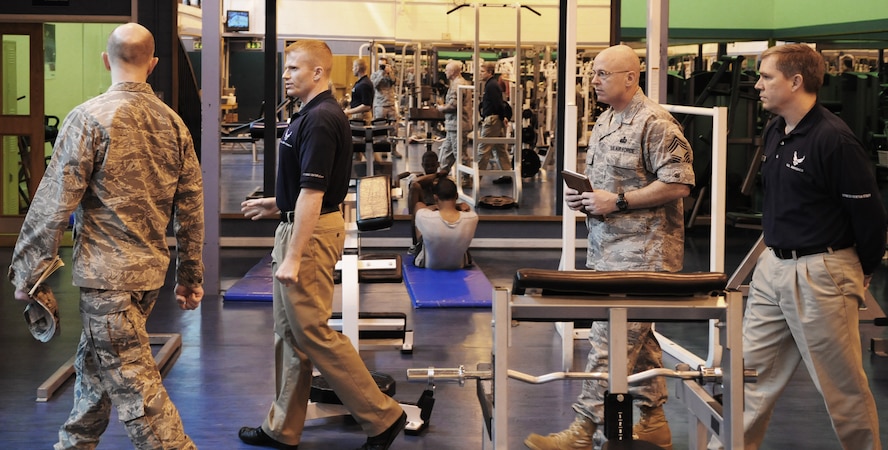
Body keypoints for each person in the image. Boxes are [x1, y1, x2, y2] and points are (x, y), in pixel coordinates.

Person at [7, 23, 205, 449]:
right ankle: (73, 444)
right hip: (148, 278)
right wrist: (190, 275)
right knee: (96, 369)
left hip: (105, 280)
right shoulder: (174, 125)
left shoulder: (88, 118)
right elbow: (190, 208)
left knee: (137, 387)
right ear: (152, 64)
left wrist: (29, 273)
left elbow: (54, 203)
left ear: (105, 59)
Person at [238, 40, 406, 450]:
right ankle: (283, 427)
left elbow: (315, 194)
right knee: (288, 334)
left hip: (309, 235)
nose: (285, 75)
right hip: (296, 224)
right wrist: (276, 203)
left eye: (293, 68)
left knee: (312, 332)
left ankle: (383, 416)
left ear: (317, 72)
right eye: (285, 68)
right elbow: (304, 186)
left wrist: (294, 255)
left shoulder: (321, 118)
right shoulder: (307, 114)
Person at [524, 44, 694, 450]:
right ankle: (654, 420)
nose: (593, 80)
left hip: (645, 254)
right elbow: (606, 182)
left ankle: (584, 429)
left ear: (630, 78)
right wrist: (587, 198)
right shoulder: (605, 120)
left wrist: (616, 201)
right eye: (593, 73)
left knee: (610, 340)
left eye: (601, 73)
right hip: (606, 249)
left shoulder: (655, 122)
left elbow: (678, 183)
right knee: (640, 340)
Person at [726, 43, 885, 450]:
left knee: (842, 390)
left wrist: (860, 270)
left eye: (766, 77)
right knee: (748, 378)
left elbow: (869, 219)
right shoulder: (777, 129)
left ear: (796, 82)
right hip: (772, 269)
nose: (757, 85)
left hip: (821, 274)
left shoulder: (835, 141)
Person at [412, 177, 478, 270]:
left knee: (418, 205)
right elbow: (467, 210)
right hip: (460, 264)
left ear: (435, 197)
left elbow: (419, 207)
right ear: (457, 196)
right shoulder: (473, 217)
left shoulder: (424, 216)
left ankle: (413, 247)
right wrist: (459, 206)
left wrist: (435, 206)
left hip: (427, 264)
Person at [477, 61, 513, 184]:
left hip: (492, 120)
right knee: (500, 148)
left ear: (490, 72)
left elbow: (498, 103)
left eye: (482, 72)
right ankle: (507, 174)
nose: (480, 74)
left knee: (483, 149)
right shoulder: (491, 84)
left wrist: (503, 117)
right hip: (496, 119)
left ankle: (476, 178)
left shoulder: (491, 85)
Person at [436, 60, 472, 174]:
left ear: (453, 71)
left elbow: (454, 105)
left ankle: (465, 178)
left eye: (447, 70)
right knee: (447, 151)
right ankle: (442, 173)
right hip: (454, 125)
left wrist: (441, 108)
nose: (445, 72)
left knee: (460, 154)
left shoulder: (457, 84)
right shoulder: (460, 83)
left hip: (457, 124)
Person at [370, 56, 402, 158]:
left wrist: (389, 72)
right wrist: (382, 73)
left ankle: (393, 149)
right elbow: (375, 85)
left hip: (391, 104)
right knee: (380, 129)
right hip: (380, 105)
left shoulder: (390, 74)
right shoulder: (375, 75)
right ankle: (383, 149)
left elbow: (395, 82)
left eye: (384, 65)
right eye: (381, 65)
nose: (382, 67)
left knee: (394, 128)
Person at [344, 58, 373, 125]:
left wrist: (349, 112)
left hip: (361, 116)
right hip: (357, 115)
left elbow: (366, 105)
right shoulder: (360, 83)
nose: (352, 70)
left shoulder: (364, 84)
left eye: (353, 67)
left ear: (357, 68)